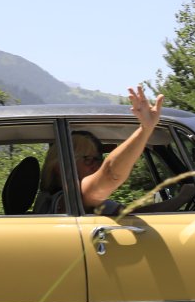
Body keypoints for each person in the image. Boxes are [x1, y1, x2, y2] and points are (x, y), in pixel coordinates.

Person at [35, 85, 165, 213]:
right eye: (88, 159)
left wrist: (176, 201)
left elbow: (132, 214)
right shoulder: (67, 200)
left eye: (97, 159)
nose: (97, 165)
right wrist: (145, 129)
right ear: (60, 168)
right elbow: (110, 175)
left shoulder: (55, 199)